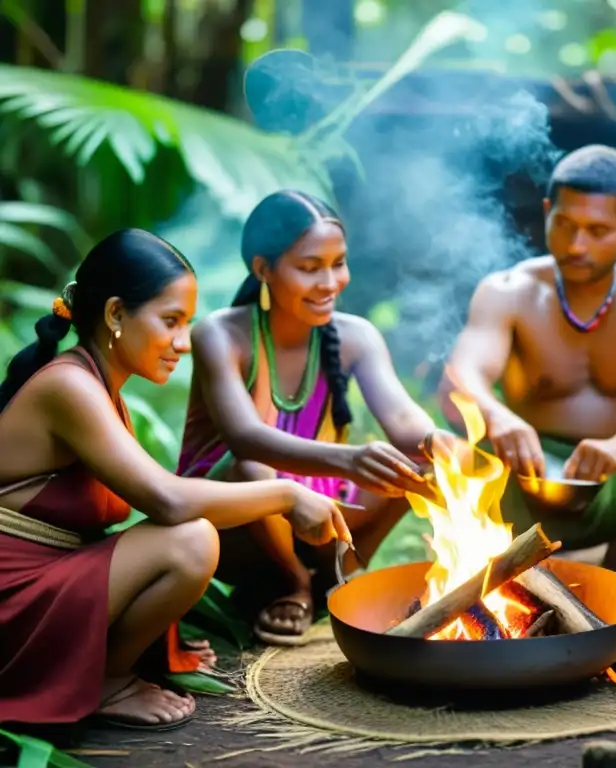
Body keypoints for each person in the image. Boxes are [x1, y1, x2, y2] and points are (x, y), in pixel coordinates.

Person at [0, 229, 350, 730]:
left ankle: (113, 665)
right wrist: (286, 494)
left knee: (187, 536)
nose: (184, 343)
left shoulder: (95, 383)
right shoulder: (69, 387)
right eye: (170, 322)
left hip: (39, 582)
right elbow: (167, 500)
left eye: (186, 323)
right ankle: (108, 680)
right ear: (116, 314)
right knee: (190, 541)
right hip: (12, 597)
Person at [439, 145, 616, 604]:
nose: (576, 245)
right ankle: (509, 562)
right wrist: (496, 415)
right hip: (521, 482)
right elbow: (458, 378)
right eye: (565, 225)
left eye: (597, 230)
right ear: (547, 212)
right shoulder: (508, 290)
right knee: (448, 439)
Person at [178, 190, 439, 646]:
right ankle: (292, 584)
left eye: (338, 263)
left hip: (324, 521)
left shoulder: (356, 335)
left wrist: (453, 446)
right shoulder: (221, 334)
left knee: (425, 465)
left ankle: (343, 573)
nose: (330, 282)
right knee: (252, 471)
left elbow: (404, 421)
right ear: (263, 269)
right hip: (233, 527)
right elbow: (245, 439)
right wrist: (348, 458)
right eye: (309, 266)